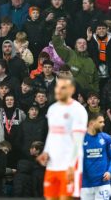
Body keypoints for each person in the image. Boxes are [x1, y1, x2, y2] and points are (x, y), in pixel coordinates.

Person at [36, 71, 88, 200]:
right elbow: (52, 134)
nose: (58, 90)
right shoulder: (52, 109)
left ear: (71, 89)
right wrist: (46, 152)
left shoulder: (78, 110)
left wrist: (72, 165)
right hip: (52, 164)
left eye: (63, 87)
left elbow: (78, 141)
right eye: (57, 86)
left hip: (70, 166)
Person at [81, 112, 111, 200]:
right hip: (85, 183)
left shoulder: (106, 138)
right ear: (91, 123)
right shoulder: (80, 139)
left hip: (103, 183)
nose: (103, 124)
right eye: (100, 122)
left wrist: (109, 171)